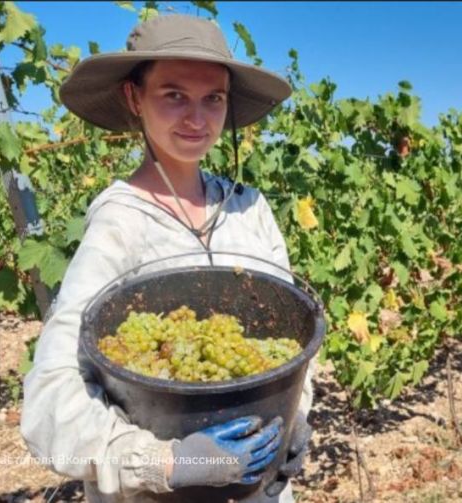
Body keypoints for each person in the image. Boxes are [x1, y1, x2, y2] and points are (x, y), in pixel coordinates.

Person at [20, 13, 316, 503]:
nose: (197, 119)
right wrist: (168, 463)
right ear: (134, 97)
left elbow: (295, 345)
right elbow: (51, 401)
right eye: (174, 95)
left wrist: (293, 415)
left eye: (213, 98)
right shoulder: (120, 222)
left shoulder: (250, 209)